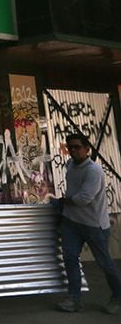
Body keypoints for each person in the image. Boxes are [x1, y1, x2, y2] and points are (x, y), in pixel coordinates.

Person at [53, 133, 121, 314]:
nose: (73, 150)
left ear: (87, 149)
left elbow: (84, 198)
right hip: (72, 222)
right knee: (69, 259)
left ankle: (118, 296)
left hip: (94, 225)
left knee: (104, 263)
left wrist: (62, 202)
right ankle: (74, 299)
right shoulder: (70, 165)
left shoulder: (93, 171)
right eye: (70, 147)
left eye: (77, 147)